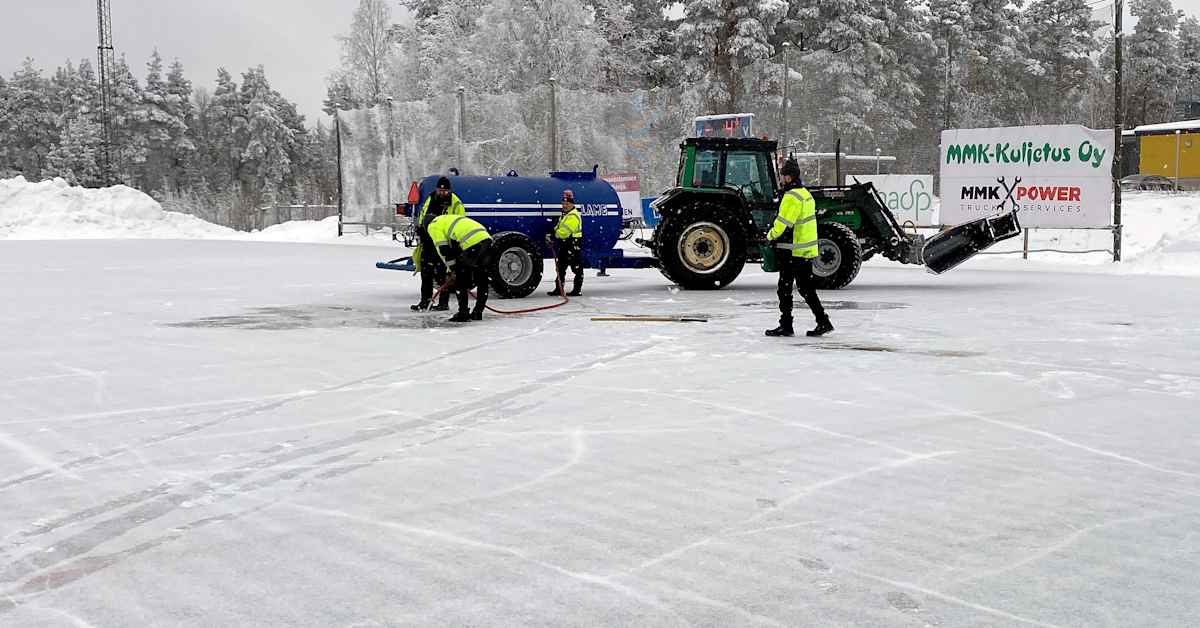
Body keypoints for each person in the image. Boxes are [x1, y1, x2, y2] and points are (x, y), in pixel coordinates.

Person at [765, 157, 833, 337]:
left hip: (791, 249)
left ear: (788, 177)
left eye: (783, 175)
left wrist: (770, 235)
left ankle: (786, 325)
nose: (781, 178)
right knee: (805, 288)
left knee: (785, 288)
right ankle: (823, 321)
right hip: (805, 249)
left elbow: (783, 223)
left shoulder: (791, 196)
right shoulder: (805, 194)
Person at [411, 177, 465, 311]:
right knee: (426, 273)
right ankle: (425, 301)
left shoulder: (456, 203)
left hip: (443, 242)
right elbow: (423, 214)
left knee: (442, 274)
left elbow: (461, 222)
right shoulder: (431, 198)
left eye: (445, 191)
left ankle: (443, 303)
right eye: (440, 190)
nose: (442, 193)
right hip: (428, 240)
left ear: (449, 191)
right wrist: (421, 228)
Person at [426, 213, 493, 322]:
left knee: (460, 279)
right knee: (482, 278)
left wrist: (452, 269)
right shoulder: (447, 218)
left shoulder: (433, 225)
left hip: (472, 243)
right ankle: (478, 312)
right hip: (486, 239)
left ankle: (463, 313)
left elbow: (443, 249)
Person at [547, 189, 584, 296]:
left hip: (573, 244)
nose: (564, 205)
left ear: (572, 204)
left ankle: (577, 290)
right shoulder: (565, 215)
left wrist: (554, 235)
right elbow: (558, 227)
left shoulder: (573, 216)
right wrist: (551, 231)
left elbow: (564, 232)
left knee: (576, 268)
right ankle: (559, 289)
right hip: (565, 244)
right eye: (563, 203)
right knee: (560, 267)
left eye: (567, 203)